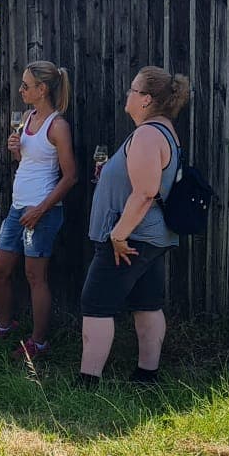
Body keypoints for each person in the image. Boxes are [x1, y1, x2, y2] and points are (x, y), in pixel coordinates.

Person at [77, 66, 191, 385]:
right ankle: (146, 375)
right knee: (147, 303)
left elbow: (144, 193)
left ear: (146, 99)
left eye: (132, 90)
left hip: (131, 238)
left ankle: (88, 382)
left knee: (96, 303)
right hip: (151, 237)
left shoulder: (148, 134)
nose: (127, 95)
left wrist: (117, 234)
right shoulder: (161, 130)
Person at [0, 61, 77, 356]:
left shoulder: (58, 126)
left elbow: (70, 176)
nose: (21, 89)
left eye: (26, 85)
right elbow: (27, 163)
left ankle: (38, 342)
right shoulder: (27, 117)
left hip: (42, 211)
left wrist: (40, 210)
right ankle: (6, 325)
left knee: (34, 276)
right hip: (18, 208)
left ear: (42, 90)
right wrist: (16, 151)